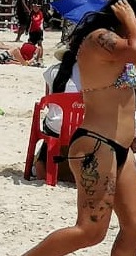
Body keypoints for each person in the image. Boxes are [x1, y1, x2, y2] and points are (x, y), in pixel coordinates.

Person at [22, 0, 136, 256]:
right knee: (90, 231)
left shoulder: (123, 46)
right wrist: (131, 21)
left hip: (120, 148)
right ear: (126, 13)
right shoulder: (100, 39)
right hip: (97, 145)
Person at [33, 45, 82, 180]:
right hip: (81, 129)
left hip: (56, 128)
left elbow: (48, 103)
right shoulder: (89, 73)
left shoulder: (52, 71)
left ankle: (44, 162)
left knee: (50, 122)